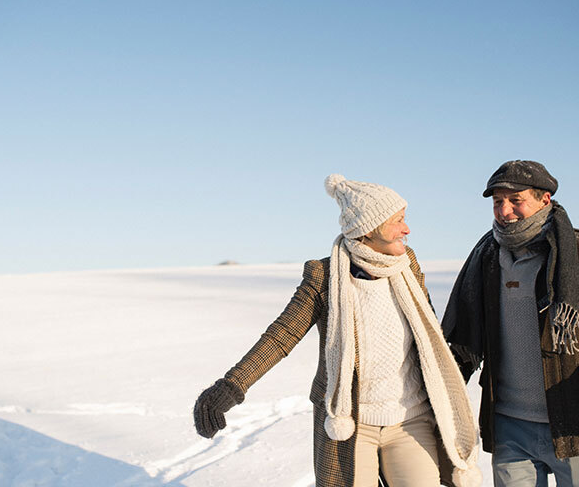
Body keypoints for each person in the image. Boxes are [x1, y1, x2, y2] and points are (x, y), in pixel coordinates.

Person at [193, 174, 481, 487]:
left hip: (410, 419)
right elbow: (280, 337)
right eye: (398, 221)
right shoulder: (325, 276)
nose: (407, 229)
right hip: (349, 424)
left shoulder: (407, 265)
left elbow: (427, 335)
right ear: (368, 228)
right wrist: (230, 387)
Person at [442, 160, 579, 487]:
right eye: (498, 201)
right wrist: (438, 396)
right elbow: (461, 339)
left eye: (516, 200)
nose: (505, 210)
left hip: (577, 422)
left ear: (545, 200)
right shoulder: (486, 257)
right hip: (508, 425)